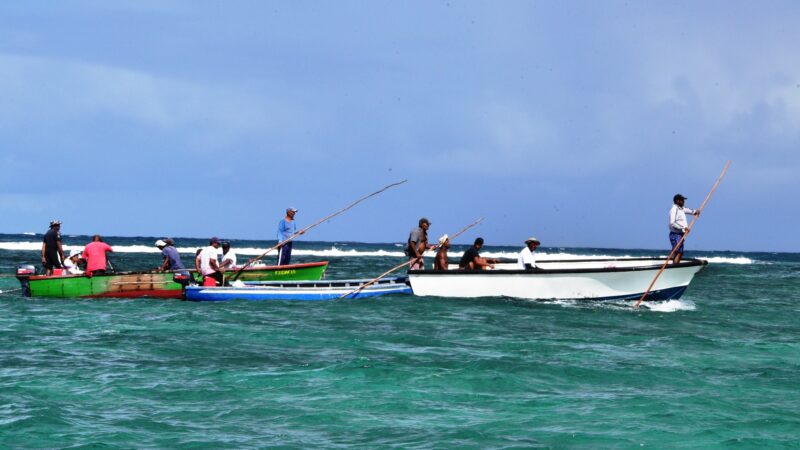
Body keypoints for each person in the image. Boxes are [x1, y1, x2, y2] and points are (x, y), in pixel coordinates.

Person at [669, 194, 700, 264]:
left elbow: (688, 210)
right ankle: (674, 265)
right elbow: (672, 223)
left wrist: (695, 211)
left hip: (680, 234)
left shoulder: (681, 208)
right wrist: (683, 228)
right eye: (682, 200)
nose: (683, 201)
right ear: (677, 201)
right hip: (675, 234)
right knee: (678, 252)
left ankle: (675, 264)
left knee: (680, 252)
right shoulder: (674, 209)